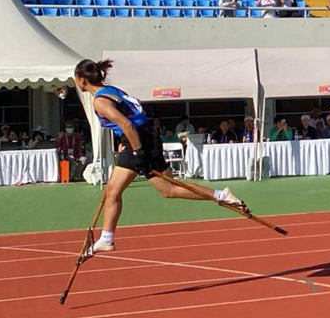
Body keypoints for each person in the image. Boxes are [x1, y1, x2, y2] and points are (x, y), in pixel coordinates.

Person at [73, 59, 245, 253]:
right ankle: (221, 195)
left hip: (139, 141)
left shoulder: (99, 101)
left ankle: (106, 238)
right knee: (169, 190)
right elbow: (134, 116)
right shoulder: (112, 91)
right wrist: (125, 142)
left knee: (112, 191)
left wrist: (137, 152)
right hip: (144, 137)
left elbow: (127, 124)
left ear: (81, 80)